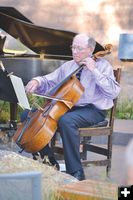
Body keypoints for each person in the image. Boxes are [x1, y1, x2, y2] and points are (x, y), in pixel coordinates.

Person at [25, 33, 121, 181]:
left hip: (94, 110)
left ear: (90, 49)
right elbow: (49, 80)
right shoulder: (69, 66)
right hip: (69, 107)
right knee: (28, 115)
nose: (74, 51)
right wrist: (37, 81)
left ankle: (76, 172)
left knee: (66, 120)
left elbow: (113, 92)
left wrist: (94, 70)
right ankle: (49, 164)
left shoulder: (103, 66)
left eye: (79, 48)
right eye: (73, 47)